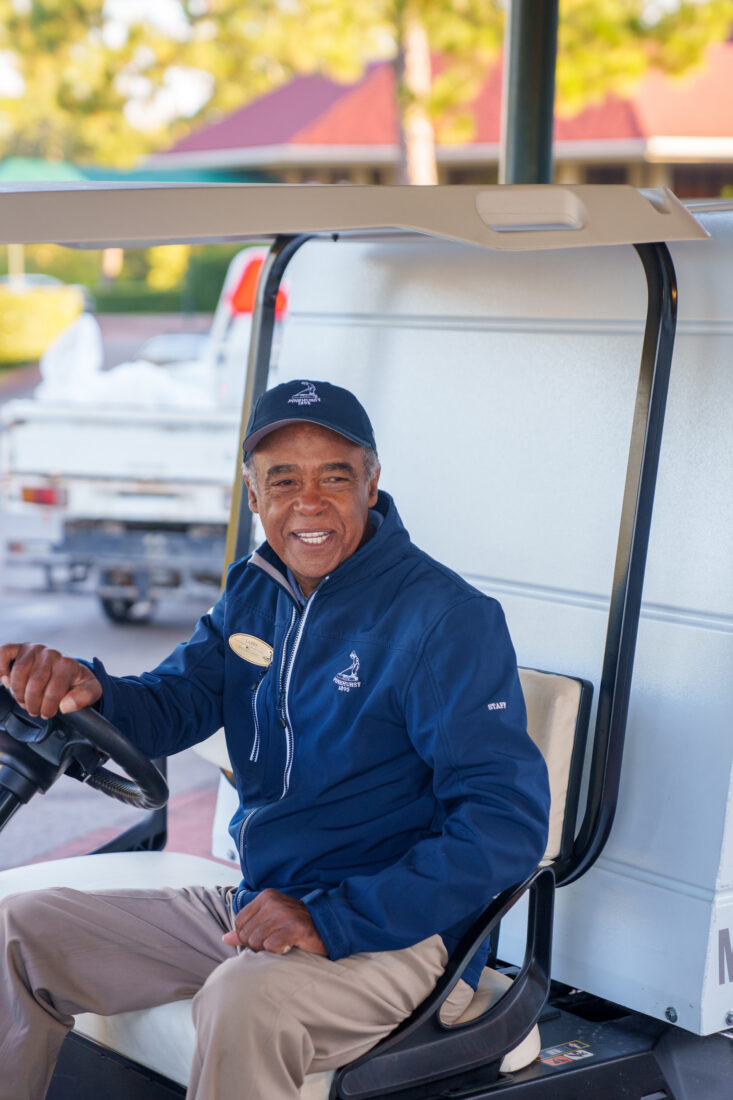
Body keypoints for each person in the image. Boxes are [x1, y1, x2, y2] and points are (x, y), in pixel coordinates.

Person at [0, 379, 551, 1100]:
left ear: (372, 482)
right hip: (262, 907)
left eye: (334, 476)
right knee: (17, 932)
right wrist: (90, 689)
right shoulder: (256, 589)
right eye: (283, 479)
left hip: (398, 936)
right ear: (254, 495)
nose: (309, 501)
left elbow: (503, 824)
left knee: (244, 1001)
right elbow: (178, 702)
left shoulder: (443, 618)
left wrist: (332, 918)